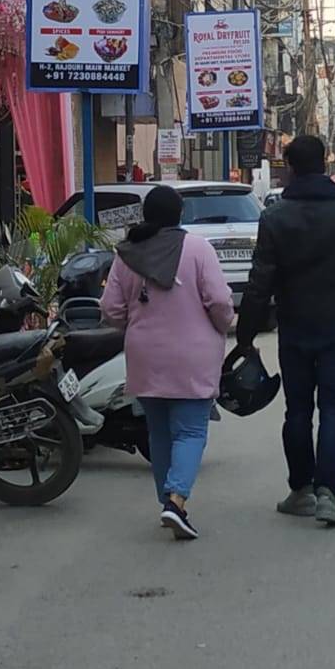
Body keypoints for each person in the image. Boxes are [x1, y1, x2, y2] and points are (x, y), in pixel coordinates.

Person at [237, 135, 335, 526]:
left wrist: (246, 333)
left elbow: (260, 280)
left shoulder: (275, 217)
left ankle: (301, 489)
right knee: (334, 408)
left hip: (295, 325)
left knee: (298, 410)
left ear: (291, 165)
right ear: (324, 163)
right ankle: (328, 494)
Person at [101, 185, 234, 540]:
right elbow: (220, 301)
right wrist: (224, 326)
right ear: (180, 213)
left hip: (145, 355)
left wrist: (135, 324)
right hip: (193, 354)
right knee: (190, 431)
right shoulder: (197, 248)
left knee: (158, 433)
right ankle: (175, 501)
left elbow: (110, 309)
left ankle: (171, 502)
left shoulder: (126, 253)